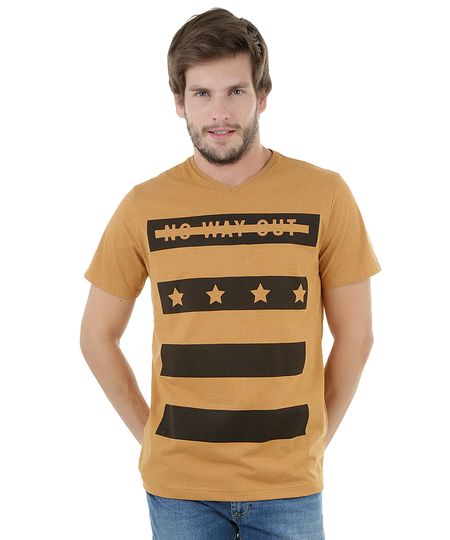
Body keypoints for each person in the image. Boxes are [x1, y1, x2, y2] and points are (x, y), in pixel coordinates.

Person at [80, 7, 382, 539]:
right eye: (202, 93)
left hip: (289, 490)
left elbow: (356, 336)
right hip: (179, 491)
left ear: (262, 95)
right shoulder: (142, 205)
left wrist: (311, 446)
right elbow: (96, 336)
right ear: (179, 101)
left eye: (235, 91)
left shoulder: (326, 194)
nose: (219, 112)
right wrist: (151, 437)